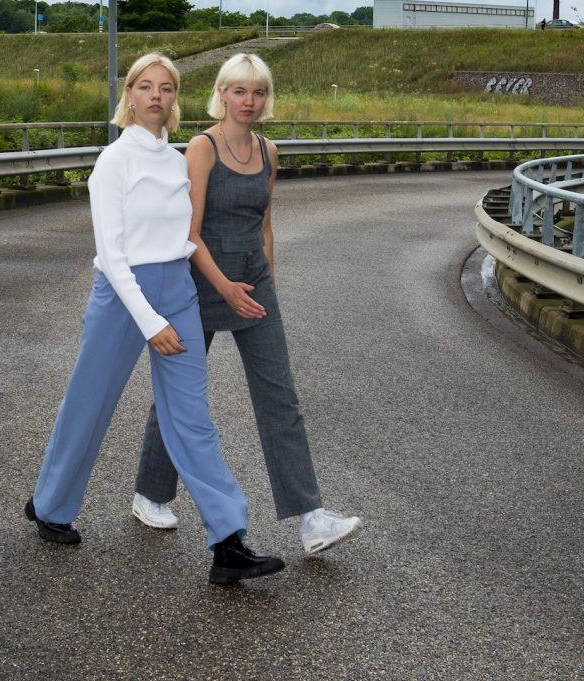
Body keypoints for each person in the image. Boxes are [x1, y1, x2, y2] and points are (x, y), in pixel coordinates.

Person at [27, 51, 285, 587]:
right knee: (90, 402)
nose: (156, 96)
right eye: (146, 86)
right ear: (130, 95)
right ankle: (50, 506)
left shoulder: (176, 161)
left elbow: (187, 236)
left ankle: (228, 541)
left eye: (166, 88)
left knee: (192, 417)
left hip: (177, 289)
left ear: (175, 100)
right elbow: (111, 254)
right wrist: (150, 321)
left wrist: (183, 302)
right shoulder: (113, 162)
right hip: (123, 296)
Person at [131, 52, 362, 558]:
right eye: (239, 91)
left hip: (253, 287)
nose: (249, 101)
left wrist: (266, 285)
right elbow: (189, 233)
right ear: (222, 94)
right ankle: (150, 495)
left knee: (280, 397)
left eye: (258, 92)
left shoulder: (268, 151)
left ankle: (311, 519)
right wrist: (225, 287)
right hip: (201, 284)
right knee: (181, 394)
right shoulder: (202, 147)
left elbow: (265, 226)